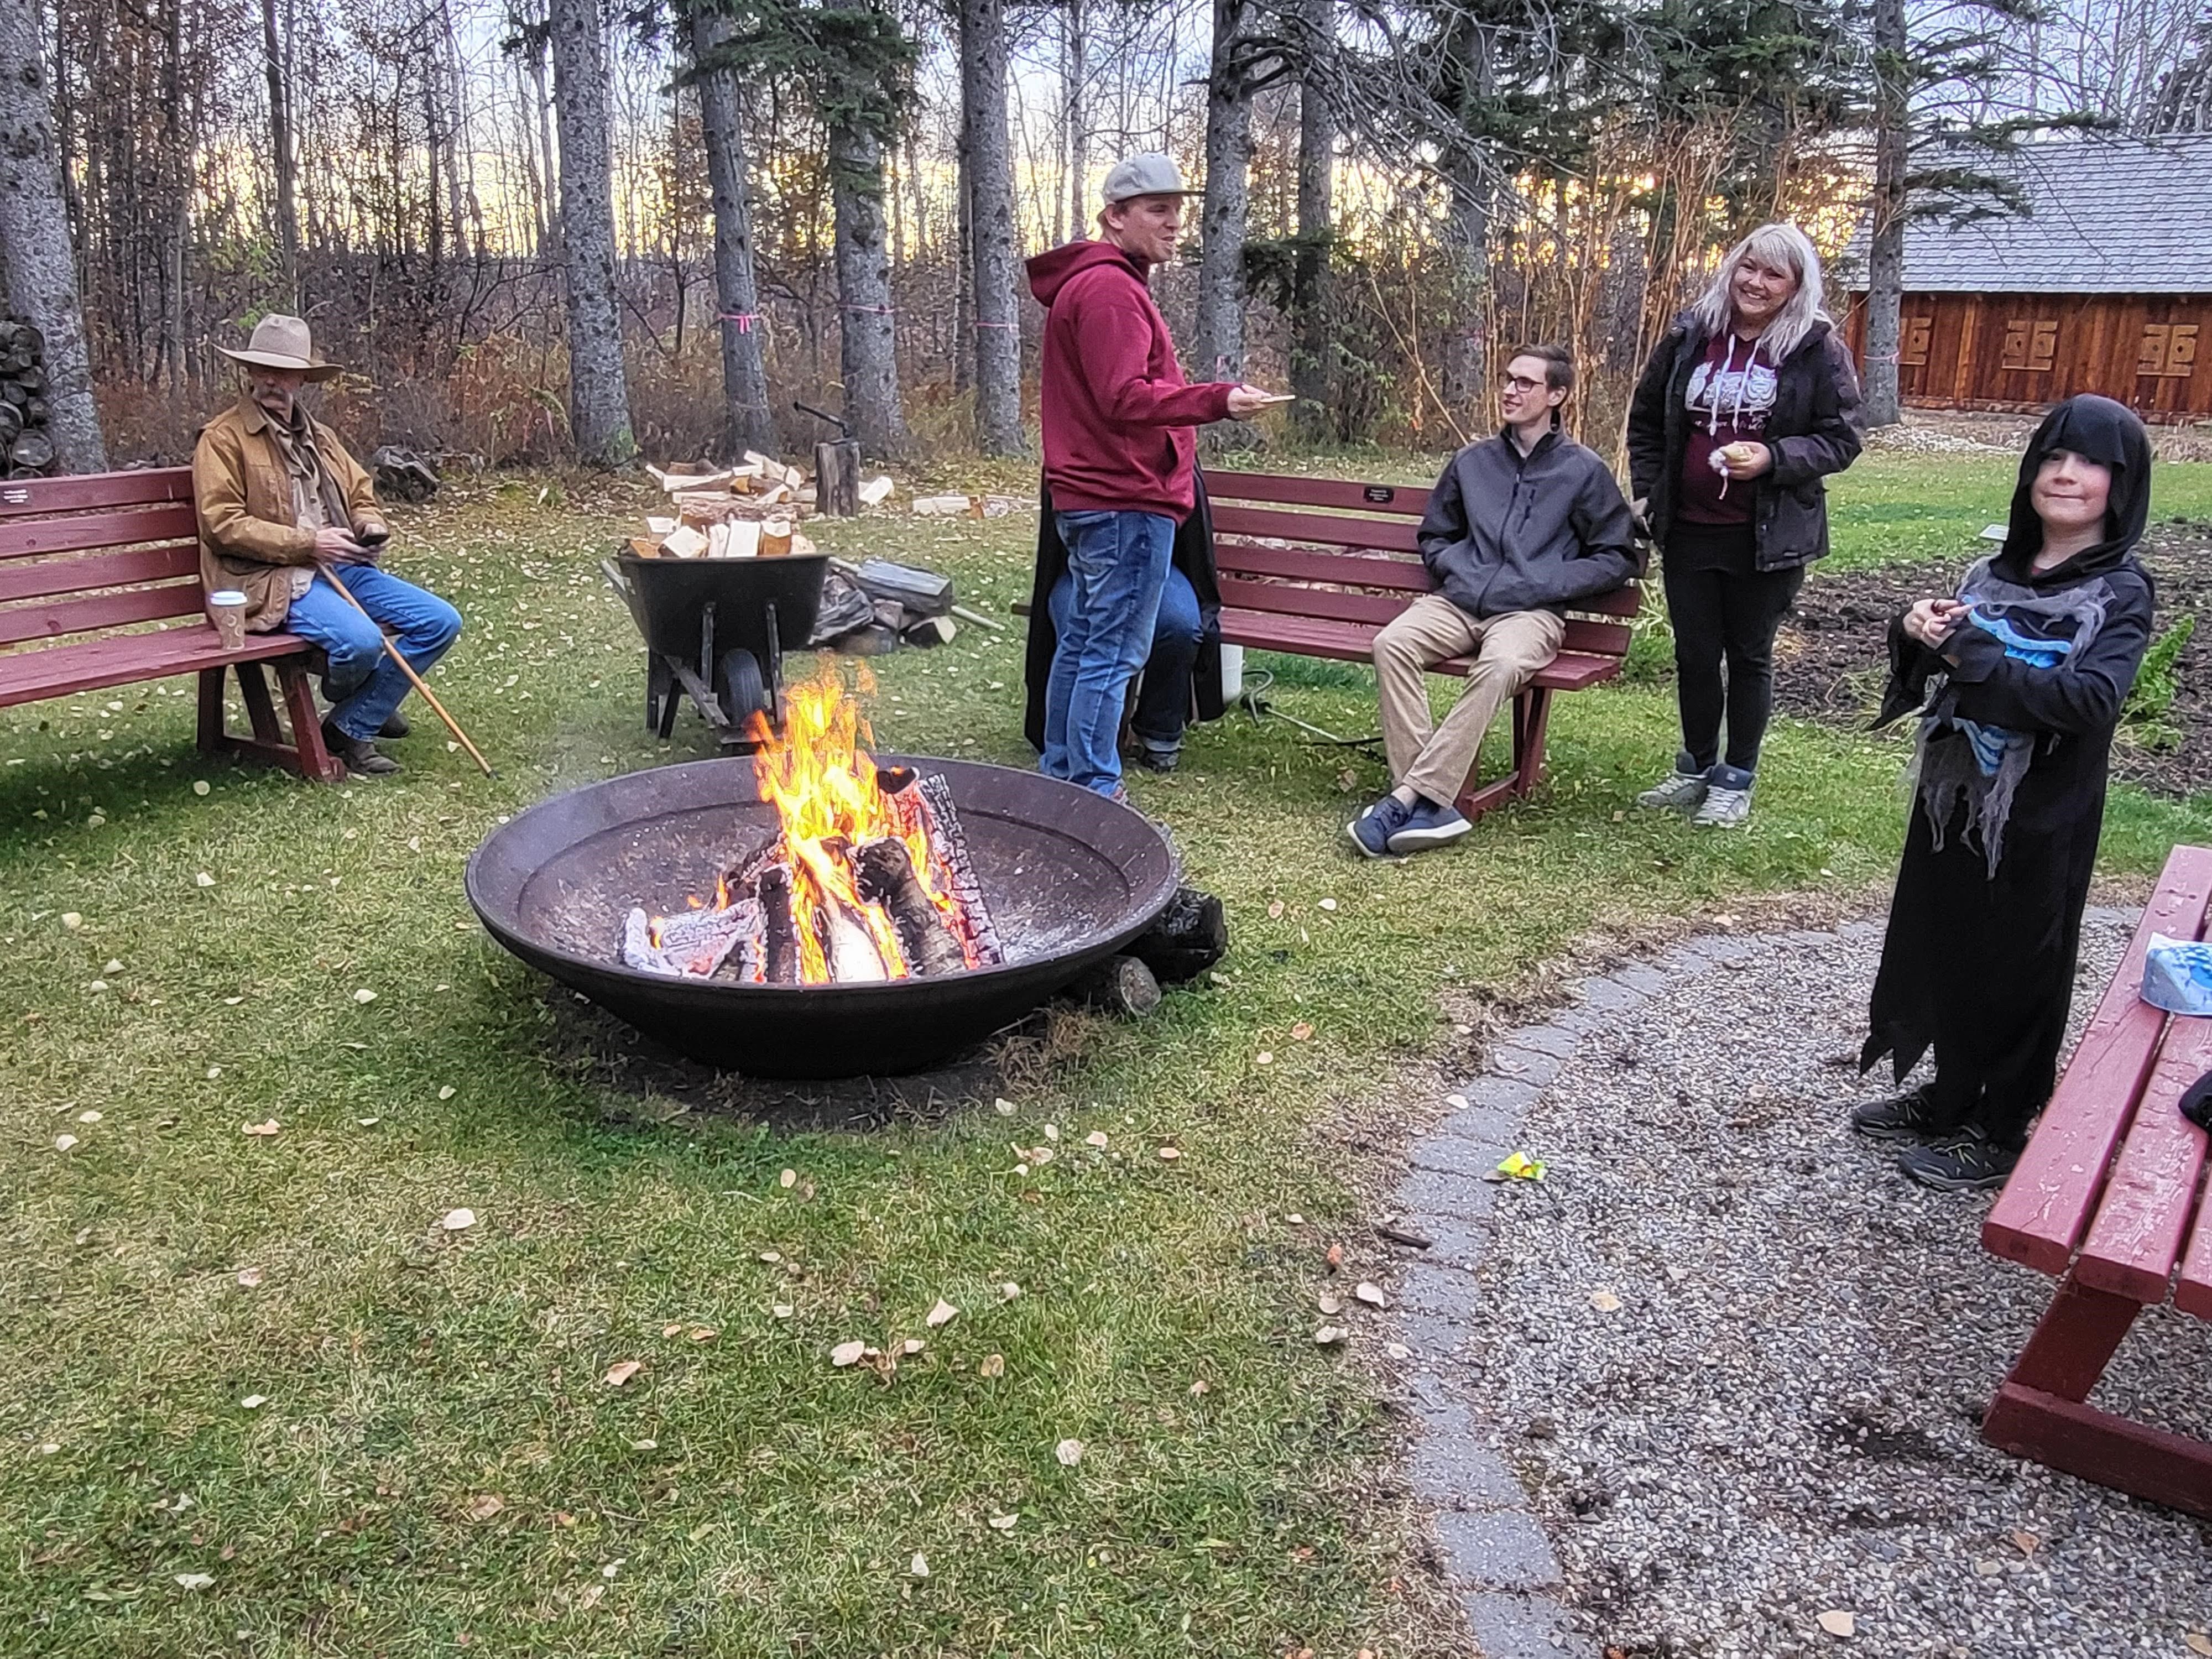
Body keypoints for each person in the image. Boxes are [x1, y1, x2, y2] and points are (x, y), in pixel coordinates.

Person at [1854, 395, 2157, 1190]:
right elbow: (1942, 672)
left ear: (2121, 486)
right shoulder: (1991, 574)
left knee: (2020, 964)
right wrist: (1915, 630)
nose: (2067, 474)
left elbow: (2088, 702)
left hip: (2040, 818)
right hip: (1958, 803)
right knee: (1950, 941)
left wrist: (1971, 651)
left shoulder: (2121, 593)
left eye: (2092, 463)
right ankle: (1952, 1095)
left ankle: (2001, 1124)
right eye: (2053, 457)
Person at [1024, 153, 1275, 798]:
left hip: (1096, 497)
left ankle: (1062, 781)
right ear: (1115, 216)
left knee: (1081, 643)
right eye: (1157, 210)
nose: (1173, 224)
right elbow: (1125, 399)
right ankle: (1094, 792)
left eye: (1177, 210)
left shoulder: (1098, 284)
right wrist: (1215, 400)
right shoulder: (1108, 290)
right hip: (1121, 501)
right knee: (1110, 653)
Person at [1348, 345, 1639, 857]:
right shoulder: (1472, 462)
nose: (1510, 389)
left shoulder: (1583, 471)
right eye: (1508, 379)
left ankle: (1406, 798)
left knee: (1501, 664)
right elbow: (1436, 536)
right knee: (1392, 643)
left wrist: (1545, 583)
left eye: (1526, 383)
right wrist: (1460, 570)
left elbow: (1616, 557)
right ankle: (1431, 805)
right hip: (1459, 602)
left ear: (1557, 395)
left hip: (1531, 612)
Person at [1626, 222, 1864, 828]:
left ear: (1795, 286)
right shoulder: (1690, 335)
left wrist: (1774, 459)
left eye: (1773, 274)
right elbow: (1648, 419)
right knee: (1695, 654)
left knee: (1749, 655)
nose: (1755, 283)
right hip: (1689, 528)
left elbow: (1842, 438)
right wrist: (1651, 492)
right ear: (1732, 268)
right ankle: (1694, 767)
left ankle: (1736, 777)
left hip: (1767, 534)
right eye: (1748, 267)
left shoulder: (1815, 348)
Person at [194, 314, 462, 778]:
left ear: (302, 378)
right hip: (269, 579)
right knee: (360, 641)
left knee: (440, 621)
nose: (273, 381)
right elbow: (222, 525)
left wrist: (368, 526)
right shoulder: (222, 439)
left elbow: (361, 493)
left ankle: (350, 720)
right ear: (250, 373)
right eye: (264, 370)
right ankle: (364, 714)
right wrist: (309, 543)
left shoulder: (321, 437)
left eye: (284, 372)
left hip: (344, 566)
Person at [1022, 472, 1224, 774]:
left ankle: (1159, 733)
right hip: (1089, 554)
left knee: (1179, 623)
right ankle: (1083, 771)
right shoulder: (1085, 449)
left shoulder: (1165, 446)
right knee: (1087, 640)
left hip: (1155, 559)